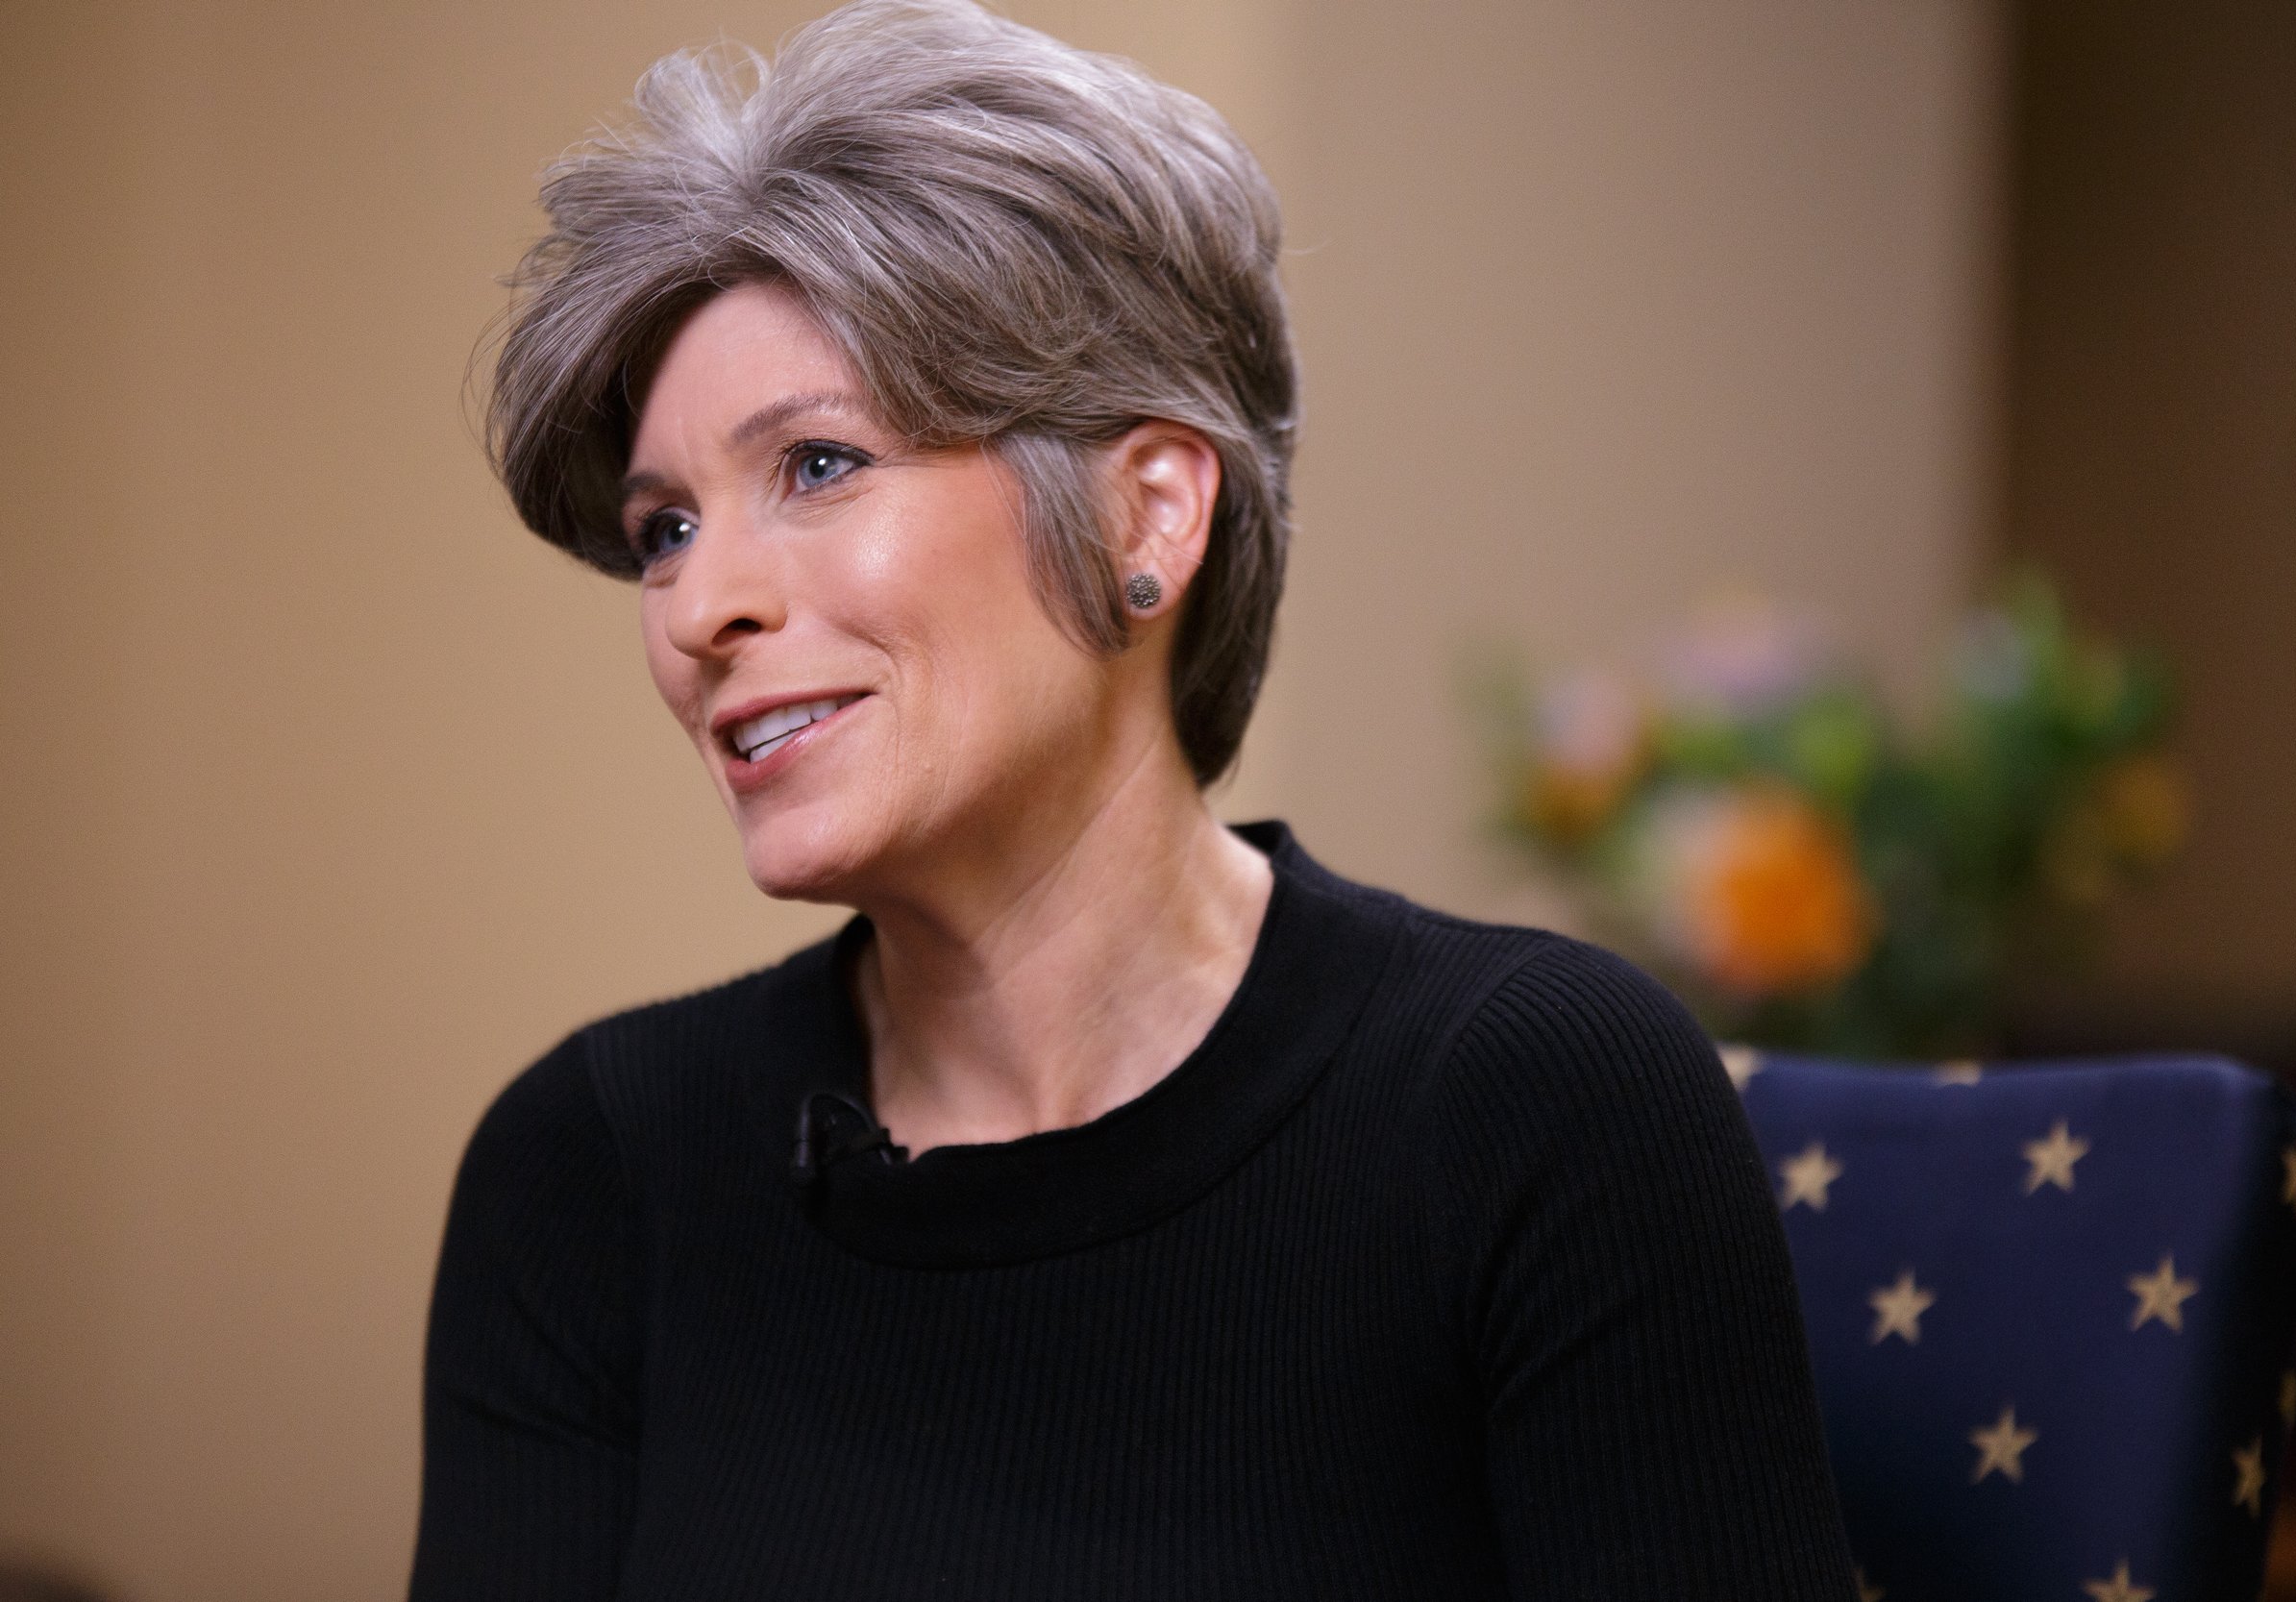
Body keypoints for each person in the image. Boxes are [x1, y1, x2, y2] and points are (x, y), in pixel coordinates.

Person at [410, 2, 1857, 1595]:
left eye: (817, 466)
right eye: (665, 526)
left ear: (1144, 512)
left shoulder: (1538, 1107)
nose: (697, 610)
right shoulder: (592, 1167)